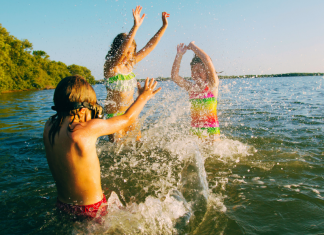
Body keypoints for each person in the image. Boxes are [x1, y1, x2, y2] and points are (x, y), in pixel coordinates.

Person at [43, 75, 161, 222]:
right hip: (91, 209)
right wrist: (144, 96)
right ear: (81, 110)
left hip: (63, 205)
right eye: (91, 109)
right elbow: (127, 119)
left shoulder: (49, 127)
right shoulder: (85, 129)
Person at [103, 5, 169, 142]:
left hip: (131, 113)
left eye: (131, 52)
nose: (127, 56)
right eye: (125, 52)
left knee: (138, 146)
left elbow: (150, 46)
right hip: (114, 116)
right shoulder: (110, 67)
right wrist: (135, 27)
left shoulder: (130, 64)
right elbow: (121, 53)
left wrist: (163, 26)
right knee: (117, 151)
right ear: (116, 50)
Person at [171, 41, 220, 141]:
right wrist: (179, 55)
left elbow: (206, 60)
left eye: (199, 71)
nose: (195, 74)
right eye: (193, 71)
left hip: (212, 133)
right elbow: (174, 76)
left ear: (207, 71)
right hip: (195, 132)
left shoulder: (212, 85)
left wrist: (193, 47)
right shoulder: (191, 88)